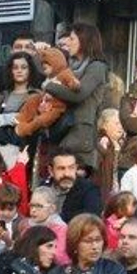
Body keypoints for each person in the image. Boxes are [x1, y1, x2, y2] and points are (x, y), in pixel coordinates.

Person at [43, 24, 111, 170]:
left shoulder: (97, 67)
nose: (68, 42)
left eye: (72, 39)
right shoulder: (70, 66)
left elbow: (79, 95)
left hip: (81, 133)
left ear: (84, 40)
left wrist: (50, 85)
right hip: (62, 128)